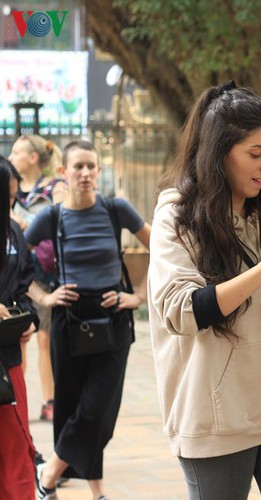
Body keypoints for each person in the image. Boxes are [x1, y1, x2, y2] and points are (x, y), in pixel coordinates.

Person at [148, 81, 261, 500]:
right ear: (218, 153)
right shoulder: (176, 214)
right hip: (216, 417)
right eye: (255, 153)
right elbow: (185, 311)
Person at [24, 140, 151, 500]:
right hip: (70, 320)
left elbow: (162, 249)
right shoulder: (51, 216)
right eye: (77, 166)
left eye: (91, 166)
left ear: (98, 170)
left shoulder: (116, 209)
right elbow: (16, 262)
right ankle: (97, 491)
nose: (85, 173)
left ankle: (47, 476)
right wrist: (45, 297)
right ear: (63, 172)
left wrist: (137, 296)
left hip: (113, 319)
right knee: (71, 408)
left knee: (98, 409)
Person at [9, 134, 66, 422]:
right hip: (15, 273)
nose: (11, 156)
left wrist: (25, 225)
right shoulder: (11, 190)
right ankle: (14, 399)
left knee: (45, 339)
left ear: (33, 158)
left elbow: (63, 221)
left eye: (17, 151)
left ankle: (50, 400)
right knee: (17, 338)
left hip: (46, 273)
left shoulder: (55, 187)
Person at [0, 156, 39, 499]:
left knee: (16, 450)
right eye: (6, 196)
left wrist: (24, 317)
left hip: (7, 362)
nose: (11, 205)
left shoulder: (12, 231)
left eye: (13, 196)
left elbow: (25, 284)